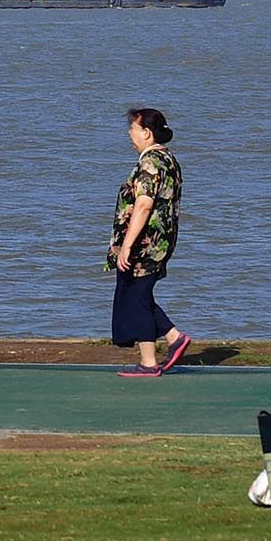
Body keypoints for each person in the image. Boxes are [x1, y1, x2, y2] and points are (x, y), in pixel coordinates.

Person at [107, 108, 191, 375]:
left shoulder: (151, 162)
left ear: (146, 132)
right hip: (160, 240)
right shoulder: (168, 160)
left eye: (131, 129)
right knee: (138, 294)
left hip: (145, 242)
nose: (129, 135)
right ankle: (173, 338)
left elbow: (144, 205)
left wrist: (127, 246)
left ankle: (150, 361)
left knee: (137, 297)